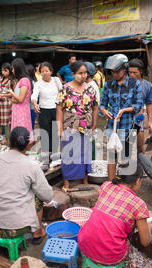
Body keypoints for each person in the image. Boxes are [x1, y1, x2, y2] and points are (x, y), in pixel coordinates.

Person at [0, 126, 54, 244]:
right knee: (37, 194)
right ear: (28, 146)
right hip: (17, 227)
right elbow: (47, 196)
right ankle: (37, 232)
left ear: (9, 142)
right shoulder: (32, 167)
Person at [78, 162, 152, 268]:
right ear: (138, 181)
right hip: (110, 257)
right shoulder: (138, 204)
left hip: (84, 245)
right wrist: (151, 228)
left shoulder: (105, 186)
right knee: (129, 233)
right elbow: (145, 242)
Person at [99, 54, 142, 182]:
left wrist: (124, 110)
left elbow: (138, 105)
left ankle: (124, 186)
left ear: (124, 69)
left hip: (128, 127)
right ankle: (111, 184)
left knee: (125, 158)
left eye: (117, 71)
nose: (115, 74)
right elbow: (102, 104)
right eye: (112, 72)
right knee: (112, 157)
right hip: (112, 128)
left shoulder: (134, 84)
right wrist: (104, 111)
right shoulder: (108, 85)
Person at [57, 61, 99, 191]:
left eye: (85, 73)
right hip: (69, 125)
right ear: (73, 74)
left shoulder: (90, 89)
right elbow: (59, 109)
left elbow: (95, 107)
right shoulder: (65, 89)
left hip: (85, 125)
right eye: (80, 73)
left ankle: (84, 180)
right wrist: (59, 128)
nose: (83, 75)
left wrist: (94, 125)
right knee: (69, 153)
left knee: (85, 154)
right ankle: (67, 183)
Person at [31, 62, 62, 161]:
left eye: (46, 70)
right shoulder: (38, 84)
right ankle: (45, 155)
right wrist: (35, 103)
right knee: (45, 133)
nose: (44, 73)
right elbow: (34, 96)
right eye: (42, 71)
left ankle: (54, 154)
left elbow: (62, 93)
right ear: (40, 73)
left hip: (56, 110)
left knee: (55, 133)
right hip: (44, 111)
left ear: (51, 71)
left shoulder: (56, 80)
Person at [128, 58, 152, 153]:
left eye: (134, 72)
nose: (131, 75)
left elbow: (149, 104)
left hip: (138, 121)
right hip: (124, 120)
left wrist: (149, 121)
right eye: (130, 72)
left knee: (140, 148)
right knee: (125, 149)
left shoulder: (148, 86)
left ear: (140, 72)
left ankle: (141, 167)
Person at [6, 58, 34, 145]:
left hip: (22, 111)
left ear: (18, 68)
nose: (12, 71)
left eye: (13, 68)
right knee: (17, 131)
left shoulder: (24, 80)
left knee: (22, 131)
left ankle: (22, 149)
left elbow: (21, 99)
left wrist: (11, 93)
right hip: (17, 110)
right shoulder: (21, 80)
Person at [0, 62, 14, 142]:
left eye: (5, 70)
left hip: (8, 103)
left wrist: (2, 95)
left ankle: (8, 139)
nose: (3, 72)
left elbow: (12, 93)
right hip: (1, 103)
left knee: (7, 123)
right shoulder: (0, 80)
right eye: (2, 70)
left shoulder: (12, 81)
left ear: (9, 71)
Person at [26, 64, 38, 131]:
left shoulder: (30, 82)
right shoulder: (34, 81)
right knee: (31, 125)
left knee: (29, 125)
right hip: (32, 107)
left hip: (29, 107)